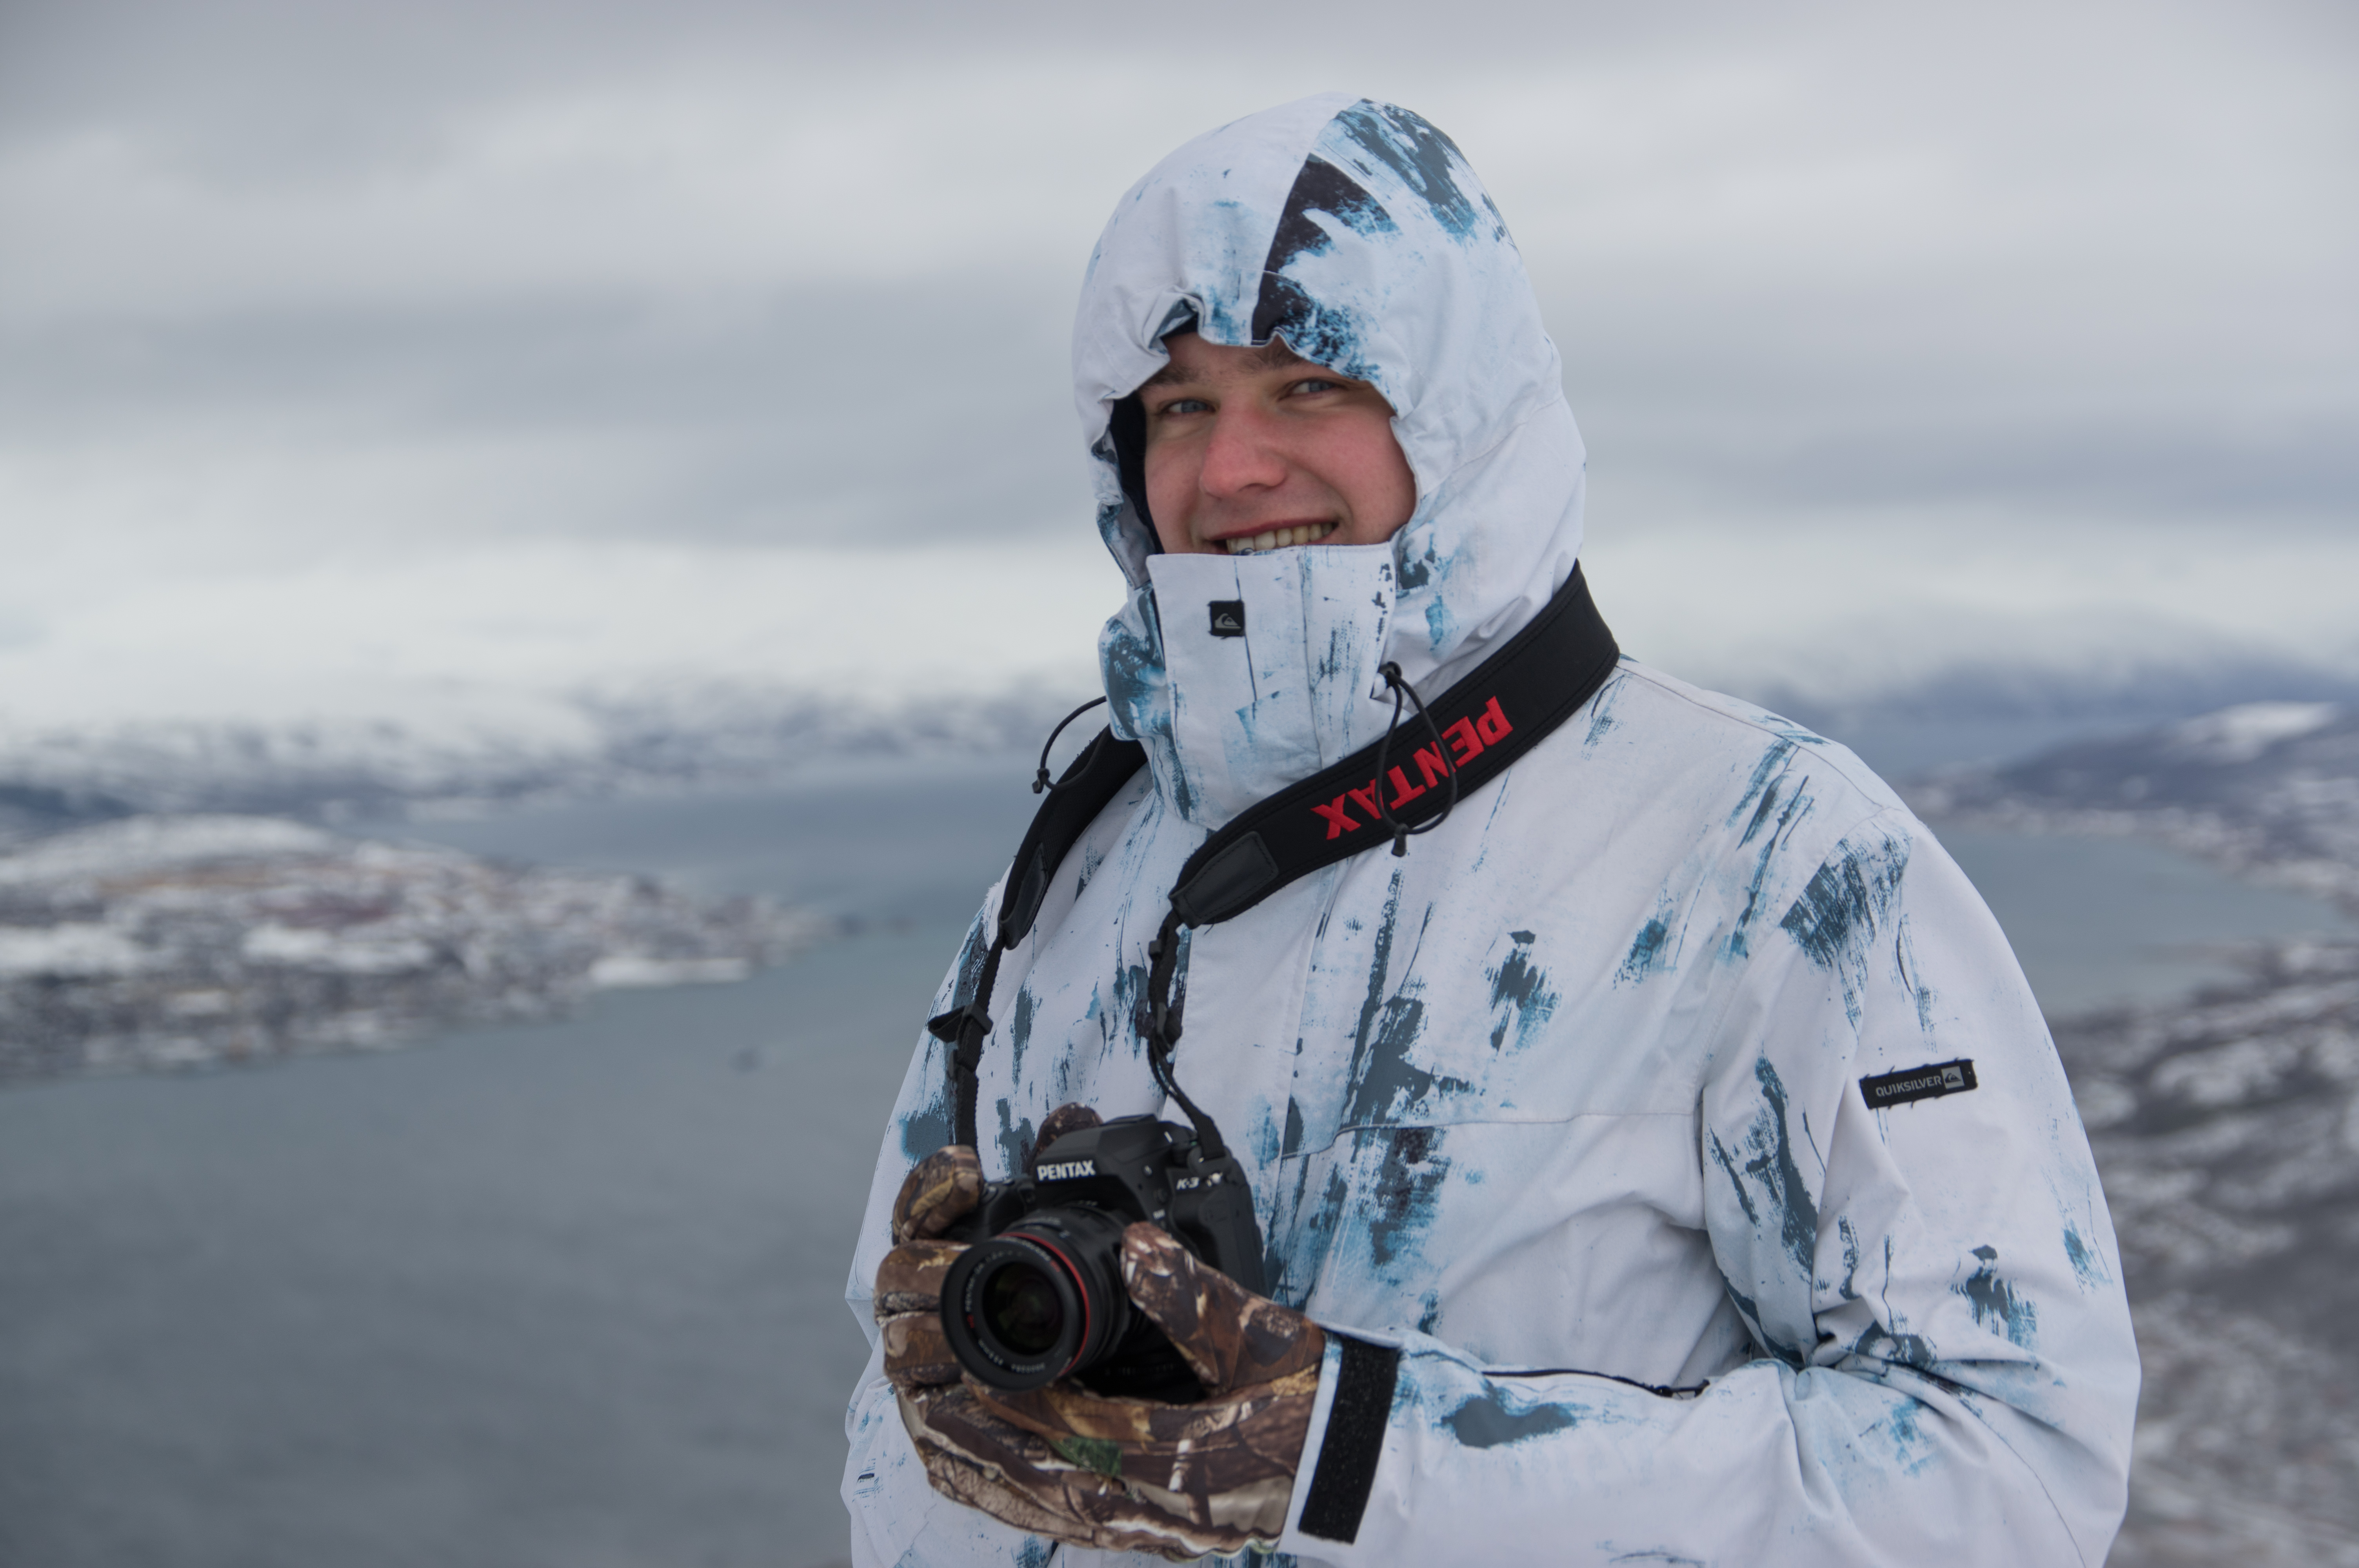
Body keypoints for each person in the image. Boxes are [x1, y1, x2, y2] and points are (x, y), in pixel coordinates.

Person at [842, 93, 2137, 1567]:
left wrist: (1352, 1455)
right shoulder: (1070, 881)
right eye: (1181, 406)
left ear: (1465, 415)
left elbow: (2008, 1478)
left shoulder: (1776, 857)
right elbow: (892, 1402)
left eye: (1311, 385)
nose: (1233, 468)